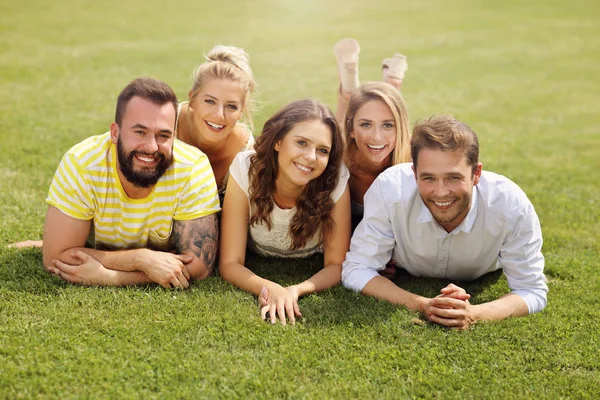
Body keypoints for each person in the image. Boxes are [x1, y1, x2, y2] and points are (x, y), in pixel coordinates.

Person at [341, 115, 548, 330]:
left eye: (453, 178)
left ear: (476, 174)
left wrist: (474, 313)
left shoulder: (511, 205)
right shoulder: (389, 189)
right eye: (429, 178)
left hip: (483, 272)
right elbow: (357, 269)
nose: (441, 192)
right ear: (414, 173)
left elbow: (532, 290)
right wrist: (423, 304)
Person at [41, 77, 220, 288]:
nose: (152, 147)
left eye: (163, 135)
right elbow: (56, 258)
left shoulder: (192, 167)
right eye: (140, 132)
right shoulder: (82, 162)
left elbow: (200, 266)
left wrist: (110, 276)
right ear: (115, 133)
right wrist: (142, 259)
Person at [219, 99, 351, 325]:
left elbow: (336, 265)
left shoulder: (335, 179)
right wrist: (271, 288)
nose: (311, 157)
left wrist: (295, 290)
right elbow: (230, 263)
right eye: (301, 142)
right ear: (278, 142)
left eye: (322, 150)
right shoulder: (245, 169)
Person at [175, 45, 257, 203]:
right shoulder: (167, 125)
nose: (219, 115)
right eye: (210, 101)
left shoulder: (246, 154)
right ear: (192, 99)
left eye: (231, 106)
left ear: (241, 111)